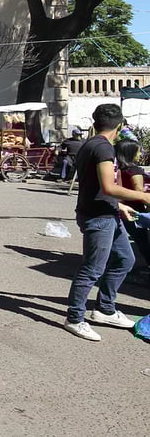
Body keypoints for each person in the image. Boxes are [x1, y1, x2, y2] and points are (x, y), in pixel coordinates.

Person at [63, 103, 150, 342]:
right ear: (120, 126)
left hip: (108, 211)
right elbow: (108, 187)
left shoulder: (93, 145)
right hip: (97, 217)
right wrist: (143, 196)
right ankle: (74, 318)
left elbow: (94, 186)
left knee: (125, 258)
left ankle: (105, 309)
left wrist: (120, 205)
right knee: (92, 268)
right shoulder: (102, 148)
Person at [114, 138, 150, 271]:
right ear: (130, 153)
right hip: (134, 210)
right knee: (142, 241)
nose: (141, 155)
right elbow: (139, 191)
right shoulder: (135, 170)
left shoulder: (119, 169)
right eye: (139, 152)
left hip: (119, 208)